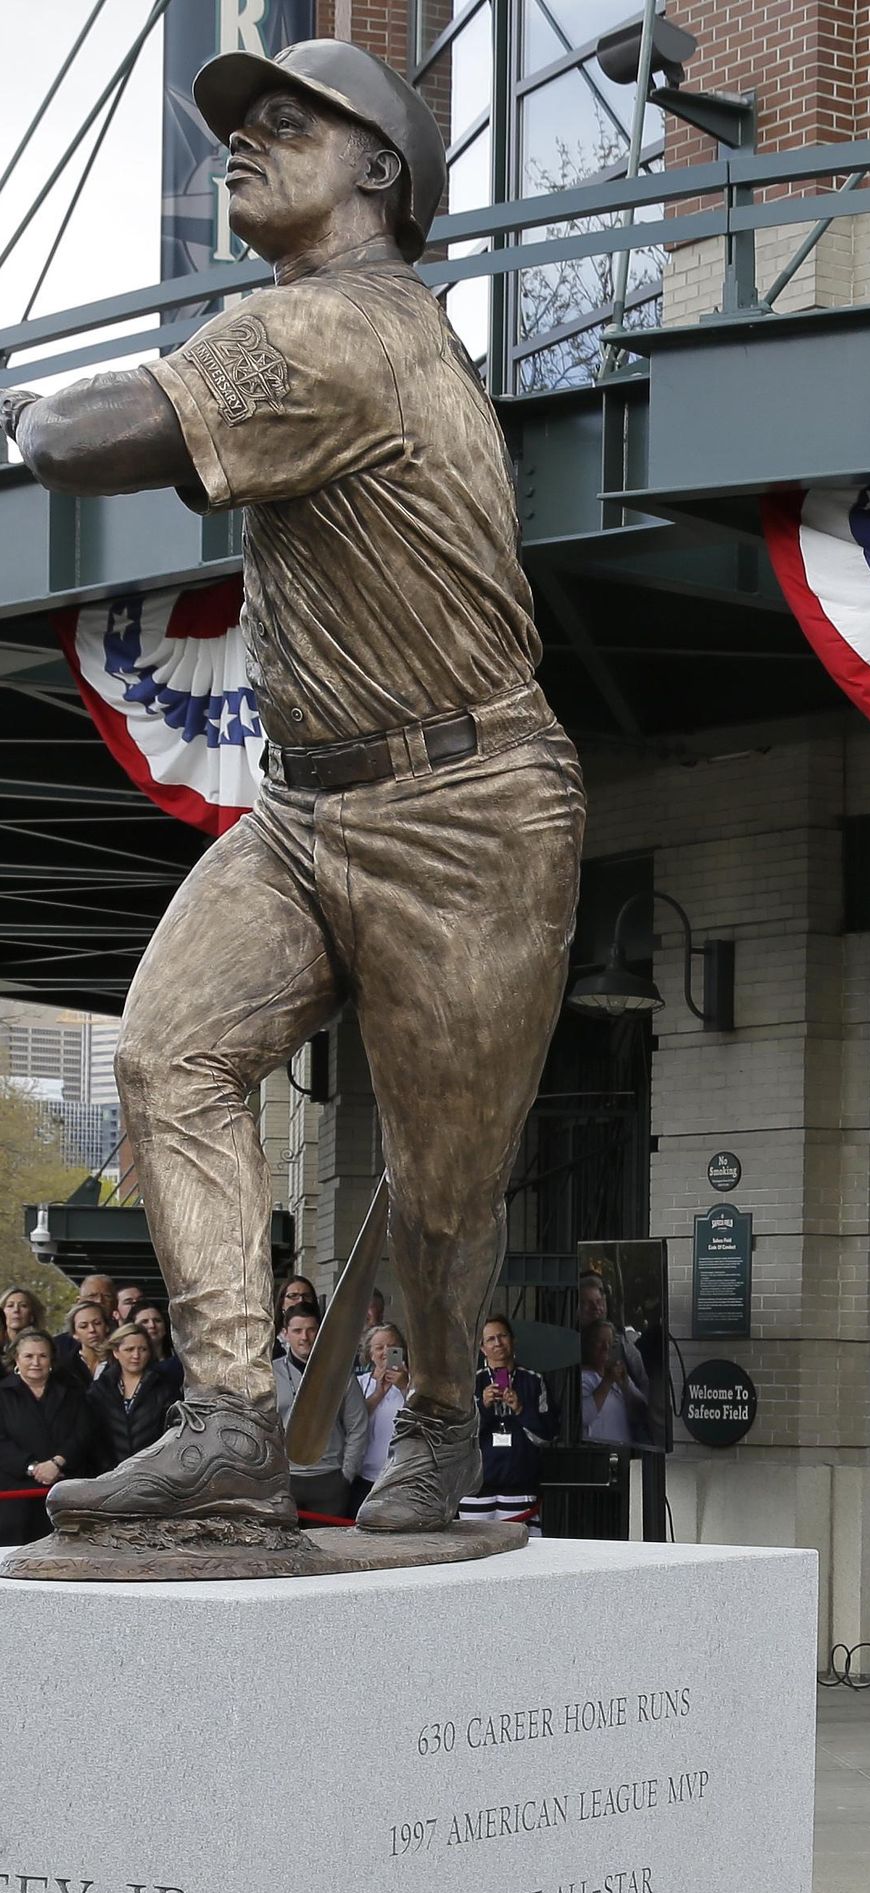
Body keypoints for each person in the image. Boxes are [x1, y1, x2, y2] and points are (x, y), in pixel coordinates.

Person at [10, 38, 584, 1550]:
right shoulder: (314, 325)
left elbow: (75, 439)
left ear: (380, 173)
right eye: (232, 133)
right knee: (167, 1054)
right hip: (306, 805)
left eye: (283, 125)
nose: (238, 151)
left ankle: (444, 1428)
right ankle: (226, 1424)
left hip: (470, 815)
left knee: (444, 1194)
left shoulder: (342, 330)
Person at [0, 1332, 99, 1547]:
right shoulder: (3, 1394)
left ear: (51, 1359)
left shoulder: (72, 1391)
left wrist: (57, 1463)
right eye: (28, 1356)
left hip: (64, 1489)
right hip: (16, 1496)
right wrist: (32, 1467)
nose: (35, 1362)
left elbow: (83, 1432)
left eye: (42, 1356)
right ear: (16, 1358)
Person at [271, 1305, 368, 1522]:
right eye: (297, 1331)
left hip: (330, 1480)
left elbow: (358, 1425)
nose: (305, 1337)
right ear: (285, 1334)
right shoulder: (270, 1374)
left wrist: (346, 1474)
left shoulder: (339, 1372)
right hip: (285, 1480)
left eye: (311, 1329)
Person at [467, 1314, 552, 1530]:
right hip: (476, 1488)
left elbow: (546, 1436)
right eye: (490, 1339)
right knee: (476, 1558)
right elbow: (458, 1437)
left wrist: (520, 1409)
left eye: (502, 1336)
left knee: (522, 1557)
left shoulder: (533, 1381)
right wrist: (482, 1407)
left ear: (513, 1340)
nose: (497, 1343)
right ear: (482, 1348)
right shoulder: (470, 1384)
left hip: (520, 1487)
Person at [90, 1323, 179, 1468]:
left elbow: (172, 1432)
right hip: (109, 1473)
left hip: (154, 1471)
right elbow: (93, 1435)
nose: (136, 1355)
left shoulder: (163, 1388)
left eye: (142, 1349)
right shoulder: (100, 1389)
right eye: (129, 1349)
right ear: (116, 1352)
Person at [354, 1322, 410, 1506]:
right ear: (370, 1354)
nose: (386, 1352)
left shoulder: (415, 1382)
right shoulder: (360, 1383)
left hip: (404, 1475)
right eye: (379, 1347)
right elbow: (354, 1421)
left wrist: (404, 1386)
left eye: (392, 1346)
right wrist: (378, 1393)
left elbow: (424, 1416)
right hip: (367, 1475)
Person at [577, 1320, 652, 1449]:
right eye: (600, 1342)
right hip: (596, 1453)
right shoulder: (582, 1377)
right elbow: (583, 1416)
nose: (605, 1347)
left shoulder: (617, 1375)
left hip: (622, 1454)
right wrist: (607, 1382)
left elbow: (643, 1411)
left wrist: (626, 1386)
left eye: (610, 1343)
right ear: (588, 1344)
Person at [55, 1298, 112, 1386]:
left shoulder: (120, 1361)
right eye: (83, 1326)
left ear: (107, 1326)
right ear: (74, 1333)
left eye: (97, 1323)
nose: (92, 1330)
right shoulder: (65, 1367)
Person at [133, 1301, 183, 1395]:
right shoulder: (130, 1363)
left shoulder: (182, 1359)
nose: (152, 1325)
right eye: (144, 1322)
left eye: (157, 1320)